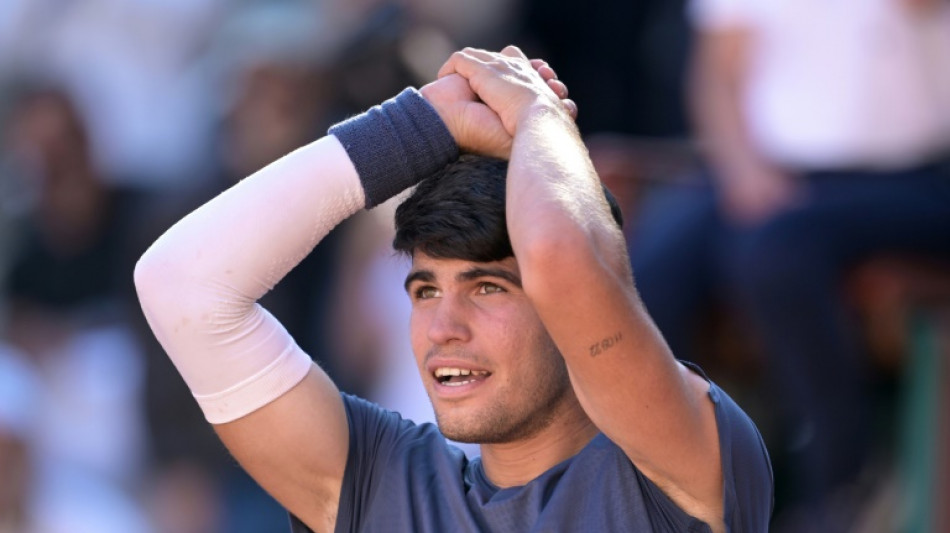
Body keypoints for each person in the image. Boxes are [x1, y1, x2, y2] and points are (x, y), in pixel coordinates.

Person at [134, 46, 773, 532]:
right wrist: (424, 122)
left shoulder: (674, 464)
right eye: (424, 291)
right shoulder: (382, 480)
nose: (445, 329)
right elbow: (181, 285)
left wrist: (536, 118)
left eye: (489, 287)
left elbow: (560, 256)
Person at [629, 0, 950, 528]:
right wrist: (744, 172)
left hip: (905, 177)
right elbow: (717, 74)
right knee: (653, 262)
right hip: (768, 170)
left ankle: (846, 480)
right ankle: (667, 486)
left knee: (772, 254)